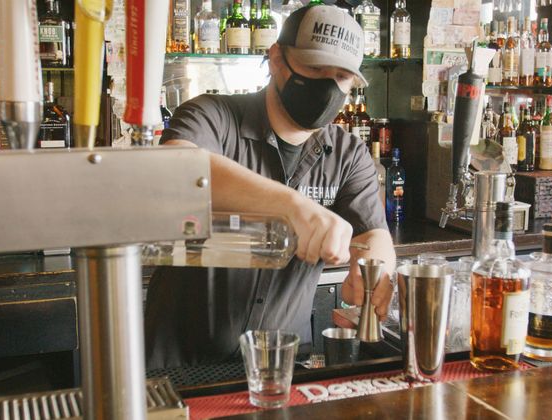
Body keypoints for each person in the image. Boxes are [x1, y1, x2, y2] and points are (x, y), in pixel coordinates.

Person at [144, 4, 395, 369]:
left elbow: (374, 234)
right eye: (314, 68)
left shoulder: (347, 153)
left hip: (278, 364)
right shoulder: (211, 115)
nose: (327, 86)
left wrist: (375, 271)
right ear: (276, 58)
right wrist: (291, 206)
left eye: (340, 76)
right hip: (178, 364)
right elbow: (172, 171)